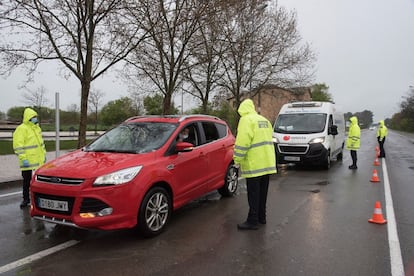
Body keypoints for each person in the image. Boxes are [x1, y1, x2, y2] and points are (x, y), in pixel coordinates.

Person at [233, 99, 277, 230]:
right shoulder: (264, 120)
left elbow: (242, 142)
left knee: (253, 194)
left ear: (242, 110)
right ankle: (261, 217)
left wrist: (237, 160)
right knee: (263, 193)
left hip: (254, 164)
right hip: (267, 163)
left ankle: (252, 221)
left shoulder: (246, 120)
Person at [13, 108, 46, 208]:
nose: (35, 119)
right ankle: (26, 199)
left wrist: (43, 156)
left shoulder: (37, 128)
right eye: (33, 117)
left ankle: (37, 200)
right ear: (29, 118)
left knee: (39, 182)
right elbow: (18, 145)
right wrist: (23, 159)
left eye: (35, 117)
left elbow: (40, 144)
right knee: (27, 182)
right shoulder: (22, 129)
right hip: (28, 162)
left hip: (39, 162)